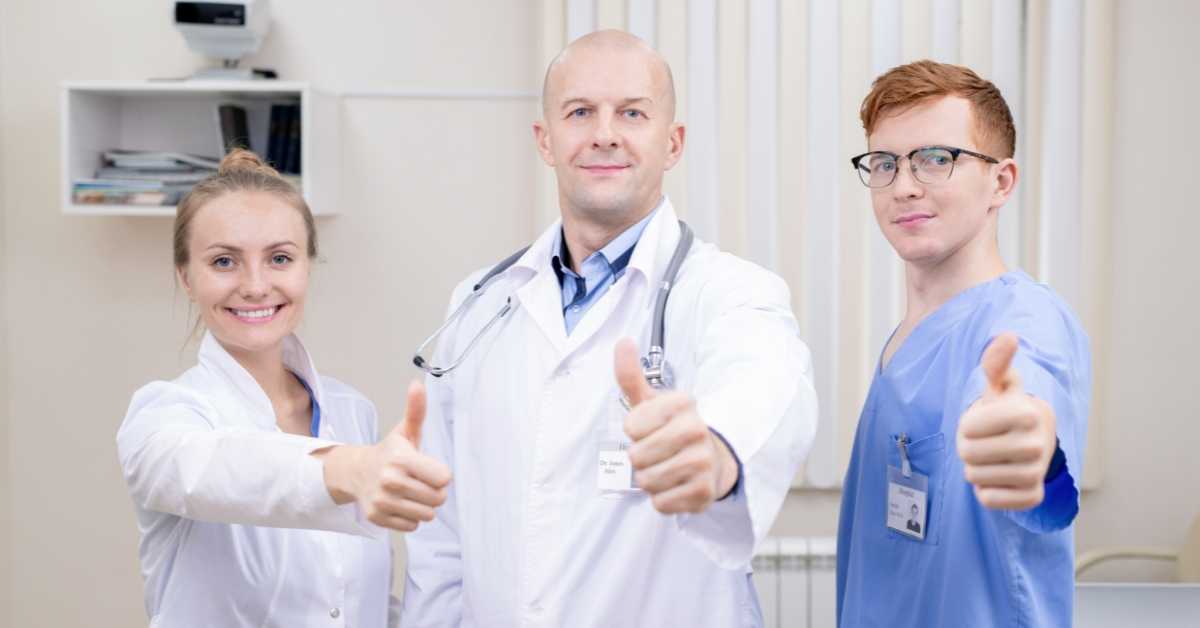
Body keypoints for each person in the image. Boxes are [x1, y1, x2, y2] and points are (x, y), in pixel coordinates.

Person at [401, 30, 818, 627]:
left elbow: (765, 384)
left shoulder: (731, 293)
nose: (604, 133)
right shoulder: (478, 302)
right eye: (579, 112)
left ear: (672, 143)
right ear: (545, 140)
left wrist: (714, 453)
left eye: (632, 113)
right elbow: (441, 533)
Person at [116, 149, 450, 627]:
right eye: (224, 261)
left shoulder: (351, 411)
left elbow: (365, 600)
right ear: (186, 277)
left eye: (279, 258)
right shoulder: (163, 417)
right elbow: (210, 471)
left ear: (306, 267)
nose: (255, 286)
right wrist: (348, 468)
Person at [836, 60, 1092, 627]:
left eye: (936, 159)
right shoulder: (904, 339)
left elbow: (1026, 409)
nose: (904, 186)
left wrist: (1029, 446)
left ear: (1001, 182)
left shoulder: (1024, 320)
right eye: (885, 163)